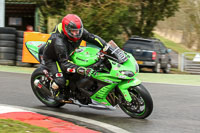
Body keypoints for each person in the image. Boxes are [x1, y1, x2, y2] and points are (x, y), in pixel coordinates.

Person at [43, 14, 110, 101]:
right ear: (66, 30)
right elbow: (65, 63)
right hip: (53, 58)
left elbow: (92, 37)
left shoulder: (79, 31)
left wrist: (107, 46)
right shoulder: (59, 42)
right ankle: (57, 92)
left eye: (77, 31)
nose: (76, 34)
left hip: (68, 53)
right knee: (60, 80)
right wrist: (82, 69)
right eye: (72, 31)